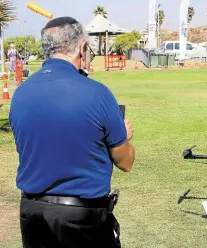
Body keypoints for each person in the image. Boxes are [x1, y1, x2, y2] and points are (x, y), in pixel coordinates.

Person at [9, 17, 135, 248]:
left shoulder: (21, 94)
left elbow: (28, 149)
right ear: (83, 47)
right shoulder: (97, 93)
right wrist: (124, 138)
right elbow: (125, 162)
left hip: (32, 213)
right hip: (82, 216)